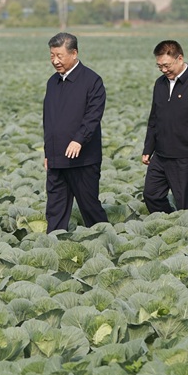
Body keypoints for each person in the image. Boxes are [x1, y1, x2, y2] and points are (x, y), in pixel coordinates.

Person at [43, 32, 109, 232]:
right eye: (52, 56)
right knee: (55, 208)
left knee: (89, 206)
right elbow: (49, 120)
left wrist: (78, 140)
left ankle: (106, 241)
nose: (55, 61)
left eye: (59, 56)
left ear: (74, 53)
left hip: (83, 160)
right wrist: (48, 152)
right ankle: (53, 244)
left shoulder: (92, 81)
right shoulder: (52, 82)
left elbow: (93, 116)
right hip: (56, 159)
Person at [142, 40, 188, 213]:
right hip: (161, 154)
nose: (164, 70)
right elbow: (154, 118)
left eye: (167, 65)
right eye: (159, 66)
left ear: (179, 58)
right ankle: (168, 221)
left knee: (186, 205)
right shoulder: (160, 84)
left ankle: (187, 235)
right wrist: (148, 148)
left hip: (185, 156)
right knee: (151, 195)